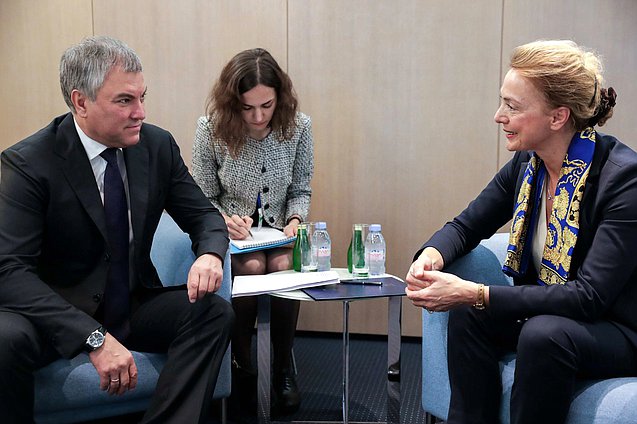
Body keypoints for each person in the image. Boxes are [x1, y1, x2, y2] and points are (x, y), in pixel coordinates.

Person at [0, 36, 234, 424]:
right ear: (80, 102)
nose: (140, 112)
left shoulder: (156, 146)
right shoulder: (28, 164)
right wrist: (92, 338)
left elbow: (205, 216)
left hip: (131, 301)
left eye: (142, 97)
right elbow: (8, 270)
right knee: (3, 340)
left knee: (213, 313)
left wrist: (210, 253)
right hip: (55, 313)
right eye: (125, 101)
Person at [406, 40, 637, 424]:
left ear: (558, 117)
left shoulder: (623, 180)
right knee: (470, 316)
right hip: (555, 317)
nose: (499, 116)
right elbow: (466, 225)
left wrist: (477, 292)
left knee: (542, 334)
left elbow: (589, 298)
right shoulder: (527, 165)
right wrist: (430, 257)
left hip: (619, 330)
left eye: (513, 107)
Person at [192, 47, 313, 415]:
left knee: (281, 266)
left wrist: (294, 220)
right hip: (232, 234)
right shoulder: (210, 129)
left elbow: (301, 190)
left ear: (280, 98)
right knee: (251, 268)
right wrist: (223, 220)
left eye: (267, 105)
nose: (258, 116)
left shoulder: (298, 126)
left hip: (277, 230)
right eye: (248, 108)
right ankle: (242, 364)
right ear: (233, 103)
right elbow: (199, 196)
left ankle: (280, 368)